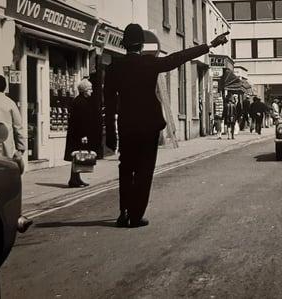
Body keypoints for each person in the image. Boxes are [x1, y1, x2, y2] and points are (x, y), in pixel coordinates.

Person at [104, 23, 229, 228]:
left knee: (125, 168)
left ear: (124, 43)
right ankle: (136, 216)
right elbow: (178, 57)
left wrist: (110, 132)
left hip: (126, 125)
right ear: (142, 45)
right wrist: (209, 45)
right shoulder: (149, 63)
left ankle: (124, 211)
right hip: (149, 126)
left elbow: (108, 104)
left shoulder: (114, 68)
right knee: (144, 170)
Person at [63, 79, 101, 187]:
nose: (91, 91)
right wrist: (83, 135)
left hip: (78, 134)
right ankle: (74, 180)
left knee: (78, 156)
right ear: (84, 90)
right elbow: (80, 121)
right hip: (78, 135)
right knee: (77, 156)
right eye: (90, 89)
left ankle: (75, 178)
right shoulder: (80, 102)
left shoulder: (82, 101)